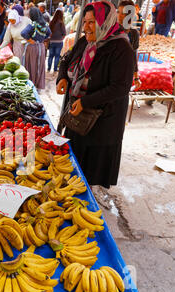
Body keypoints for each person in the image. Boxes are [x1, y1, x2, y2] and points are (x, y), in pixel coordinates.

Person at [55, 0, 135, 189]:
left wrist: (86, 101)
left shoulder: (121, 49)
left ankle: (86, 197)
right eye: (85, 22)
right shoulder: (85, 41)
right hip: (77, 115)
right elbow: (66, 59)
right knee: (74, 160)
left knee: (91, 168)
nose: (86, 27)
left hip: (102, 120)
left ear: (105, 21)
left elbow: (120, 87)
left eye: (92, 22)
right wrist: (62, 78)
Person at [21, 7, 51, 90]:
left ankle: (31, 83)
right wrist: (42, 39)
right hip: (41, 47)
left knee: (31, 65)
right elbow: (49, 33)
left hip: (32, 48)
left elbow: (23, 33)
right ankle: (38, 85)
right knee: (39, 66)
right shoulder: (45, 24)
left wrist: (30, 40)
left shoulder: (33, 24)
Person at [118, 0, 141, 90]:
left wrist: (136, 76)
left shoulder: (134, 33)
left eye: (123, 13)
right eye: (118, 12)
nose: (119, 16)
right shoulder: (111, 30)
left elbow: (133, 56)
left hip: (124, 74)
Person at [47, 9, 66, 74]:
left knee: (50, 56)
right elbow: (64, 33)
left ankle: (48, 69)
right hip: (59, 42)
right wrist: (61, 38)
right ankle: (55, 70)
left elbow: (48, 32)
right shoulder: (61, 23)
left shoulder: (51, 22)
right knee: (57, 56)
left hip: (52, 41)